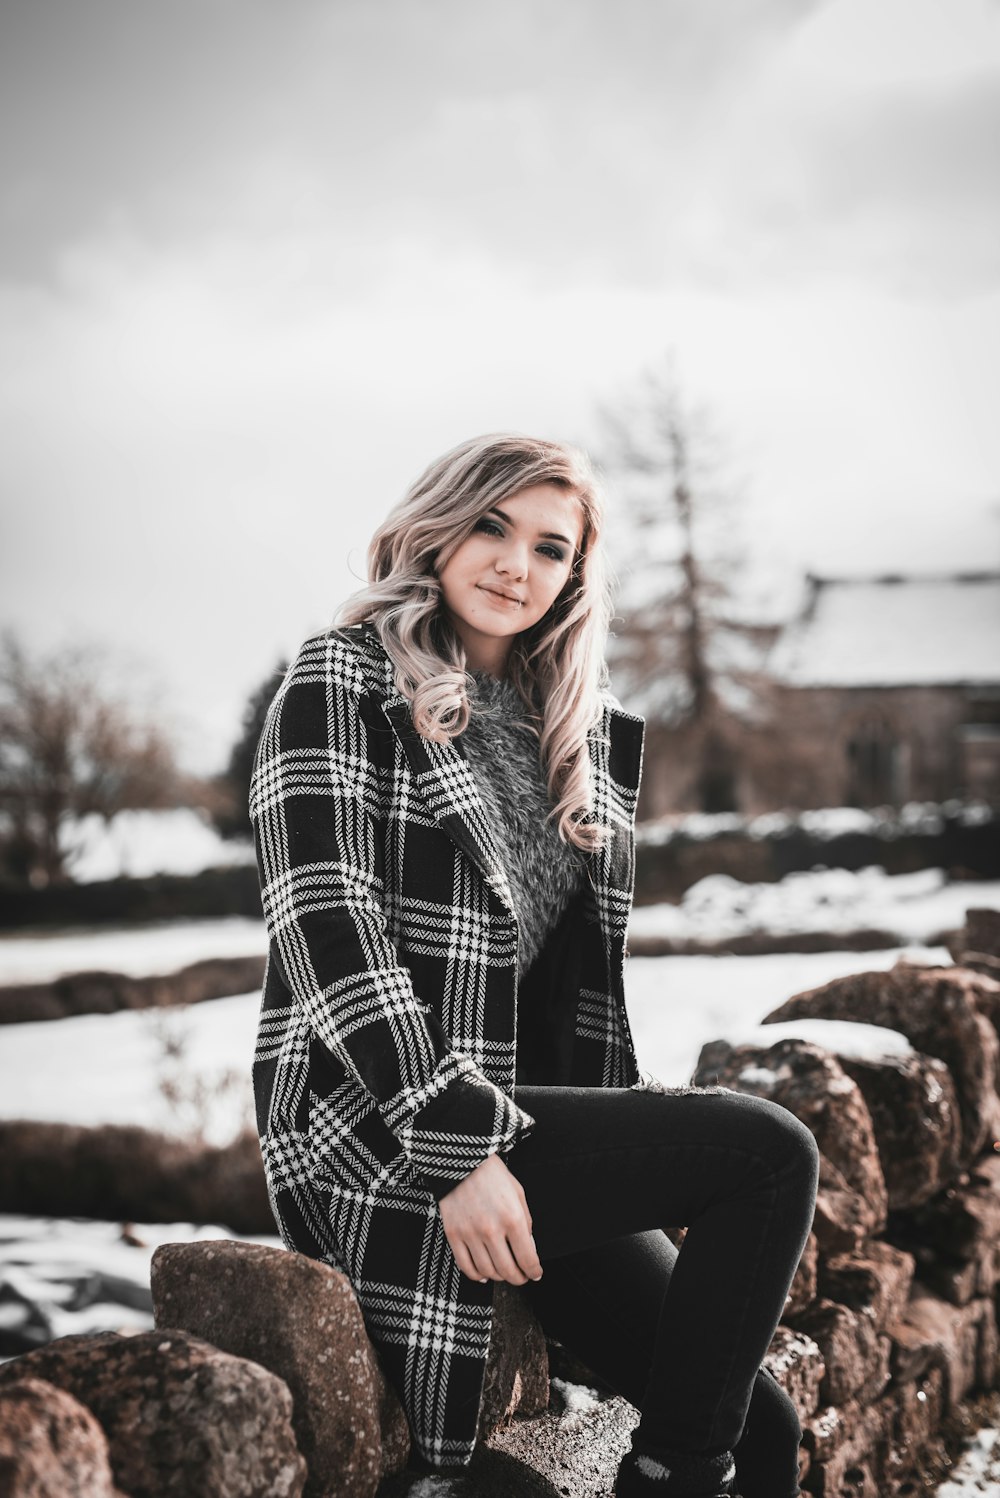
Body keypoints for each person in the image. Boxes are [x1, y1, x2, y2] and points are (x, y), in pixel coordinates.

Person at [249, 433, 820, 1498]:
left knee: (767, 1432)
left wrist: (614, 1156)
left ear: (573, 575)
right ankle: (671, 1481)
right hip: (383, 1117)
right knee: (767, 1153)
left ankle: (674, 1470)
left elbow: (567, 991)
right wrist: (456, 1149)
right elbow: (328, 930)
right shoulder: (342, 678)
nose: (517, 563)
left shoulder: (577, 735)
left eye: (550, 548)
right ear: (437, 528)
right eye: (491, 526)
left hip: (526, 1128)